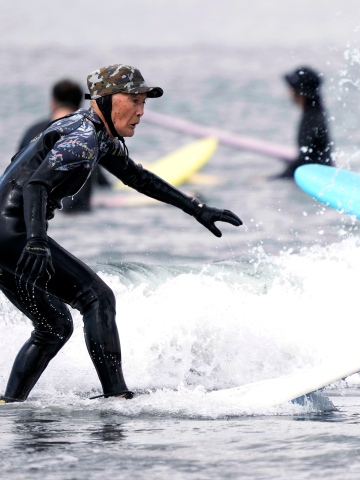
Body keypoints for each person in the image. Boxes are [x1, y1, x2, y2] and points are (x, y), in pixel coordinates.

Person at [0, 64, 242, 403]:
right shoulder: (83, 138)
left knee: (54, 327)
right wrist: (37, 240)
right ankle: (116, 397)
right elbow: (37, 184)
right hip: (14, 233)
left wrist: (197, 209)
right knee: (97, 298)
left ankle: (10, 405)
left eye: (145, 102)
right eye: (134, 101)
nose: (141, 111)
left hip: (6, 238)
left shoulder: (93, 133)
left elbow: (138, 178)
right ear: (106, 100)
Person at [18, 79, 111, 212]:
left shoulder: (32, 132)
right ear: (80, 106)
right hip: (75, 210)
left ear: (53, 103)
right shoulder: (87, 134)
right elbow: (100, 180)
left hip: (32, 207)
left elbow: (18, 172)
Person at [274, 66, 334, 179]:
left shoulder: (312, 120)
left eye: (291, 88)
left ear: (301, 93)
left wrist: (272, 179)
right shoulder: (315, 113)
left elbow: (305, 160)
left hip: (318, 178)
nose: (289, 92)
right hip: (322, 173)